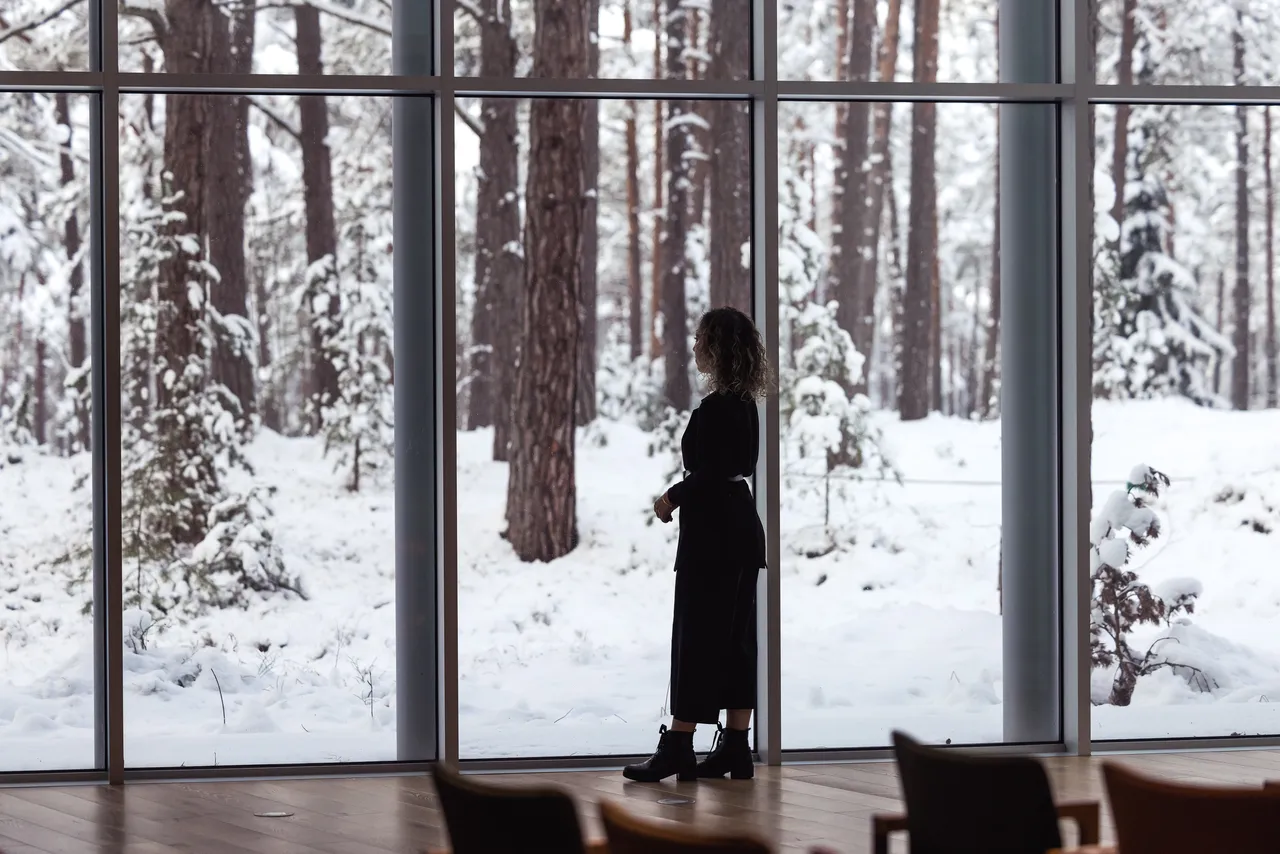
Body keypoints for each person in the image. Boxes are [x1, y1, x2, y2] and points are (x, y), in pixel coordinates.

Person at [623, 306, 769, 783]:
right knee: (737, 642)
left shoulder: (717, 407)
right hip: (742, 530)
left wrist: (671, 497)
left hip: (713, 537)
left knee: (697, 641)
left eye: (701, 338)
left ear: (717, 347)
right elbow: (737, 467)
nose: (694, 346)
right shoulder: (745, 403)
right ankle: (735, 748)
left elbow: (710, 473)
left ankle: (679, 747)